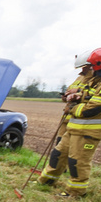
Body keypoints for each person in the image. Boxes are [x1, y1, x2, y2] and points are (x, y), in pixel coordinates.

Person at [38, 47, 101, 198]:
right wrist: (77, 95)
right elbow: (87, 95)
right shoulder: (98, 80)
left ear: (99, 65)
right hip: (74, 127)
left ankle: (75, 193)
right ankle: (46, 181)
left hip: (88, 131)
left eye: (92, 66)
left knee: (77, 162)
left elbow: (94, 108)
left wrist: (72, 108)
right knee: (58, 155)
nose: (90, 69)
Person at [37, 51, 94, 184]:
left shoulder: (95, 80)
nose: (82, 70)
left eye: (84, 67)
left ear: (91, 66)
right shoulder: (79, 78)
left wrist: (78, 93)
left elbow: (90, 97)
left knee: (74, 154)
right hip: (68, 117)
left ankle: (65, 173)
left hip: (79, 120)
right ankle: (51, 176)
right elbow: (70, 92)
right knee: (59, 147)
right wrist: (66, 96)